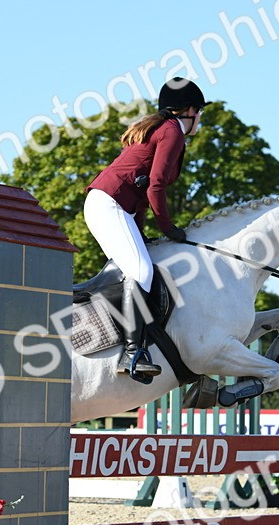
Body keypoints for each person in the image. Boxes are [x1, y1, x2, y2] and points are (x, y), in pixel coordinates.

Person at [84, 77, 210, 381]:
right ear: (190, 110)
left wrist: (142, 235)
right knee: (141, 272)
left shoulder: (163, 129)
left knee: (140, 268)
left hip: (113, 206)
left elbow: (140, 194)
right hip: (108, 205)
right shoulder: (172, 132)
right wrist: (168, 228)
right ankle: (132, 353)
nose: (200, 120)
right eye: (200, 113)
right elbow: (154, 186)